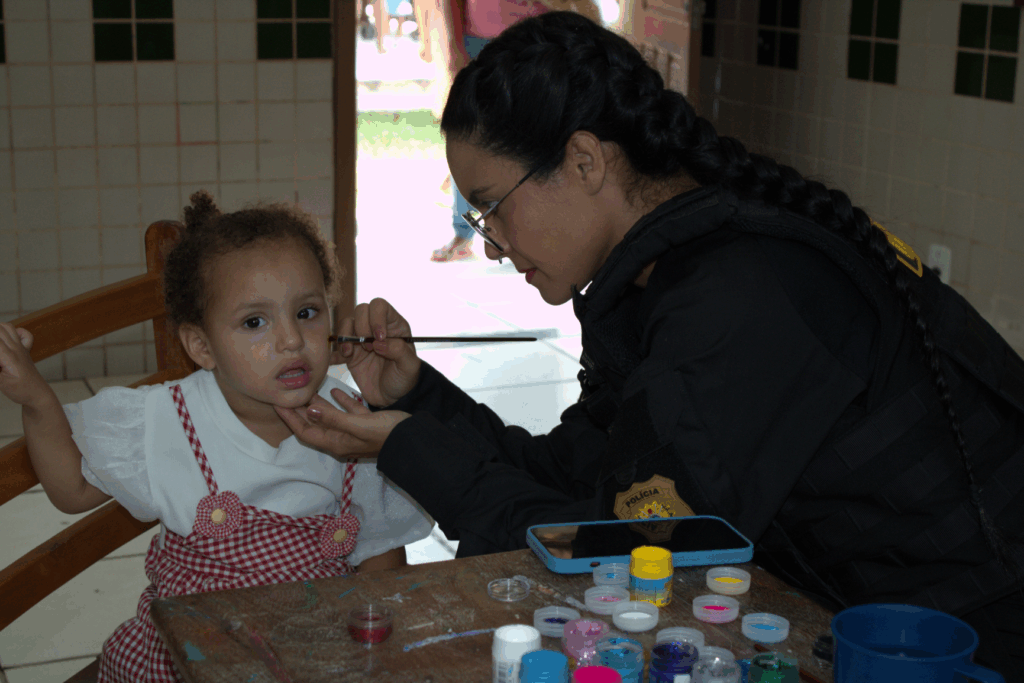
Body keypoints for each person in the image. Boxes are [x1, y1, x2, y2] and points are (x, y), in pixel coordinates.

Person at [276, 12, 1024, 677]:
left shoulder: (740, 296)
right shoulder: (659, 280)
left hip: (965, 641)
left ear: (584, 161)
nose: (493, 245)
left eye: (491, 208)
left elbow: (605, 547)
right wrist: (417, 397)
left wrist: (406, 445)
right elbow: (576, 480)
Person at [0, 191, 432, 683]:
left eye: (307, 312)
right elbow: (71, 489)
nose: (291, 340)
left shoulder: (351, 421)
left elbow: (382, 555)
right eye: (255, 322)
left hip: (312, 653)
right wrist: (36, 400)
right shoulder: (165, 419)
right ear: (202, 347)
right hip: (186, 660)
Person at [428, 0, 600, 262]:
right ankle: (464, 231)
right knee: (470, 136)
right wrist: (453, 48)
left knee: (533, 142)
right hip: (478, 41)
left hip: (537, 42)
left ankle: (530, 236)